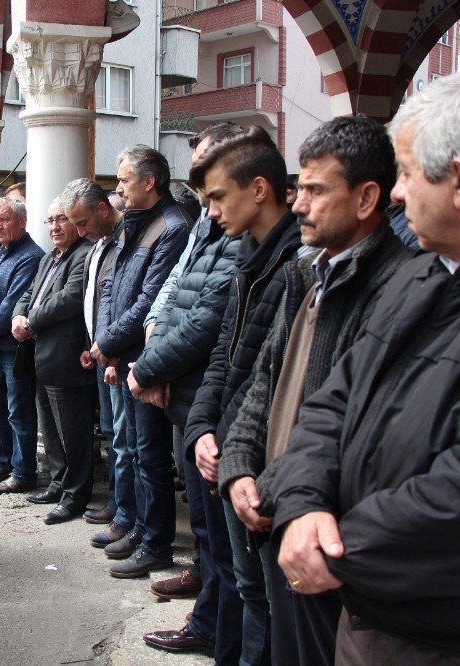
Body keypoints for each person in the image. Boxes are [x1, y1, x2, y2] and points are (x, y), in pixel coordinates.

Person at [274, 73, 460, 666]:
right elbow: (331, 404)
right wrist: (301, 505)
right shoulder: (428, 274)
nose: (396, 195)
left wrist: (328, 546)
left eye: (405, 174)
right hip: (377, 620)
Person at [218, 115, 412, 665]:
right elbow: (266, 382)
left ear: (367, 197)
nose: (298, 204)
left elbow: (351, 423)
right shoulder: (308, 274)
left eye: (315, 190)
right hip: (280, 512)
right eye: (298, 188)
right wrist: (239, 464)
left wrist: (275, 486)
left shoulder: (400, 288)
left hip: (326, 533)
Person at [182, 127, 302, 665]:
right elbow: (223, 357)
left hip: (260, 459)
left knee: (268, 597)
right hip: (229, 449)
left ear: (258, 189)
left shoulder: (298, 264)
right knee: (248, 589)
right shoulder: (248, 257)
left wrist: (232, 451)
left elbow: (273, 380)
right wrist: (201, 430)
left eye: (217, 198)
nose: (209, 213)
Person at [135, 125, 245, 656]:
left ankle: (215, 629)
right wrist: (154, 345)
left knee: (222, 537)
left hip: (204, 391)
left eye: (209, 168)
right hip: (183, 384)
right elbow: (174, 288)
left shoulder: (239, 231)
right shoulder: (206, 218)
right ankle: (207, 618)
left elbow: (209, 318)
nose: (200, 182)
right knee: (205, 525)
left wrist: (149, 368)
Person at [91, 145, 190, 579]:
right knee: (131, 448)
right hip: (125, 354)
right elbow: (115, 287)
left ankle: (155, 543)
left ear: (149, 182)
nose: (119, 190)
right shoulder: (136, 224)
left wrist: (110, 343)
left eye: (124, 181)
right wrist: (109, 344)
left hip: (145, 359)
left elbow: (151, 299)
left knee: (150, 454)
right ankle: (135, 525)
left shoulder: (171, 228)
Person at [11, 200, 93, 524]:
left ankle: (76, 495)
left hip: (67, 359)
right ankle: (59, 484)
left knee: (73, 433)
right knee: (52, 429)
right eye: (50, 220)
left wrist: (29, 321)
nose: (55, 226)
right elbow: (31, 292)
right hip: (42, 358)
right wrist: (18, 314)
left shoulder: (83, 254)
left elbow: (70, 298)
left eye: (62, 219)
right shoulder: (50, 257)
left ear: (77, 222)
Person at [60, 179, 125, 536]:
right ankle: (118, 503)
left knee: (125, 441)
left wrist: (109, 345)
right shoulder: (99, 244)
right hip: (100, 351)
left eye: (81, 222)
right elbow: (95, 301)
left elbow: (122, 301)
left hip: (118, 354)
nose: (78, 230)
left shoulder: (122, 241)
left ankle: (125, 510)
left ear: (102, 209)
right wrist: (92, 342)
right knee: (113, 434)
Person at [0, 197, 45, 493]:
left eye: (4, 219)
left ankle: (24, 471)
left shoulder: (30, 256)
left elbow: (10, 305)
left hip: (15, 351)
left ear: (21, 222)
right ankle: (3, 463)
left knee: (19, 411)